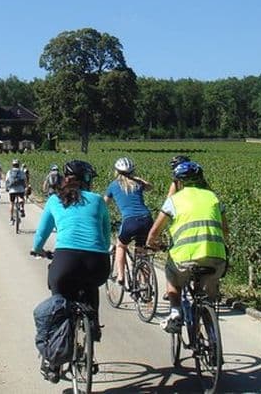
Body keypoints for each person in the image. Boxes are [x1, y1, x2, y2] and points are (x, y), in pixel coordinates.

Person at [33, 160, 111, 378]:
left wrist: (37, 250)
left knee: (59, 306)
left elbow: (41, 235)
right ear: (86, 180)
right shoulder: (97, 200)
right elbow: (106, 237)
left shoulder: (54, 200)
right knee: (90, 284)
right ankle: (92, 323)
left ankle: (53, 363)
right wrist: (99, 250)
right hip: (98, 262)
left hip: (65, 262)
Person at [146, 161, 228, 334]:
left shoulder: (173, 201)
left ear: (178, 182)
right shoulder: (213, 197)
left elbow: (154, 232)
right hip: (216, 257)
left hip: (185, 258)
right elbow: (225, 231)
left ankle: (175, 312)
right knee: (207, 294)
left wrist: (152, 243)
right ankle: (209, 329)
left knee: (171, 276)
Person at [104, 157, 153, 287]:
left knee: (121, 246)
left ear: (116, 171)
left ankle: (120, 276)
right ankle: (145, 283)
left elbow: (103, 205)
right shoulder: (137, 184)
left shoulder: (113, 185)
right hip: (147, 219)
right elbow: (150, 187)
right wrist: (137, 178)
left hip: (130, 221)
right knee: (141, 250)